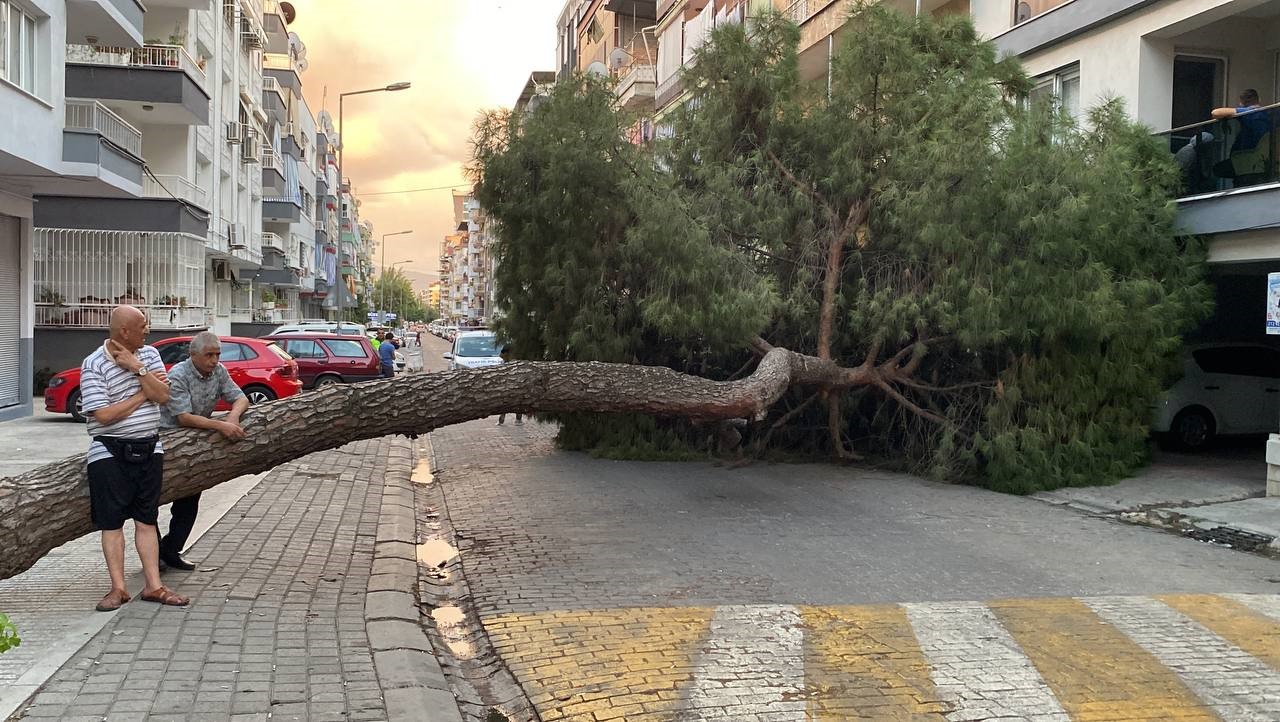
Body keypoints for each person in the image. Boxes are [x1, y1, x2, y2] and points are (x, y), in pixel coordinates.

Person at [80, 305, 189, 611]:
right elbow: (103, 415)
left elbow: (165, 396)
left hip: (149, 448)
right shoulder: (94, 364)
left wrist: (136, 367)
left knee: (147, 519)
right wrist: (143, 393)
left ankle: (154, 586)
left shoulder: (151, 355)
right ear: (124, 331)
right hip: (109, 451)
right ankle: (118, 588)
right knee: (111, 523)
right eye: (142, 326)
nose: (148, 330)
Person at [158, 332, 249, 571]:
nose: (214, 360)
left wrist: (233, 416)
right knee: (152, 502)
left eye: (217, 354)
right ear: (193, 355)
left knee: (189, 501)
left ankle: (171, 550)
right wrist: (221, 425)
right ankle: (154, 554)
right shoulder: (178, 375)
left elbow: (240, 398)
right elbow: (183, 417)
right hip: (168, 444)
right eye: (209, 355)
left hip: (196, 446)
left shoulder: (219, 372)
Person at [1212, 89, 1271, 186]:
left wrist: (1234, 113)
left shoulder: (1251, 112)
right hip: (1264, 163)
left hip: (1246, 162)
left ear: (1245, 101)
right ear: (1259, 99)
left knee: (1217, 169)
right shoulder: (1268, 114)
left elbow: (1216, 113)